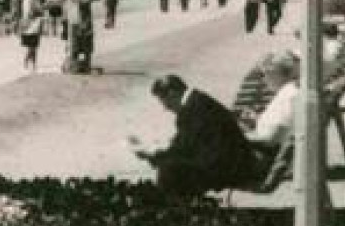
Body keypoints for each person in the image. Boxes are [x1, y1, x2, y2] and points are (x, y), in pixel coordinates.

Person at [128, 74, 257, 196]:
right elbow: (188, 142)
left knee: (169, 168)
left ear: (173, 94)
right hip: (233, 162)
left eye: (164, 103)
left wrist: (152, 155)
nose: (166, 108)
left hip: (229, 169)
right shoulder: (198, 101)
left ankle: (171, 210)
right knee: (172, 165)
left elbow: (183, 149)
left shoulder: (192, 110)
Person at [245, 52, 300, 163]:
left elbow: (271, 140)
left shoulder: (290, 95)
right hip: (262, 152)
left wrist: (239, 137)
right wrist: (257, 119)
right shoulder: (287, 91)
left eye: (265, 74)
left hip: (263, 158)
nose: (264, 79)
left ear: (276, 73)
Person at [17, 0, 44, 72]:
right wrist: (38, 12)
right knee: (32, 46)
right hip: (30, 25)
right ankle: (27, 61)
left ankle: (34, 64)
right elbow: (29, 13)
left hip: (34, 25)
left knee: (34, 46)